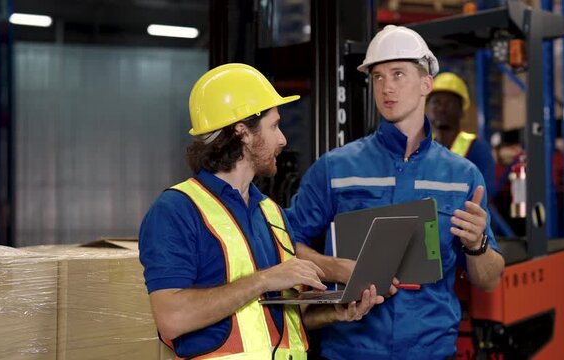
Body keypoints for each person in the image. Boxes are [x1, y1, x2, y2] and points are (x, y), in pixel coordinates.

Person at [285, 25, 505, 359]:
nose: (387, 87)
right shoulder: (335, 169)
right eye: (378, 76)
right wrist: (335, 268)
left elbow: (489, 280)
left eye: (399, 74)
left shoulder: (462, 176)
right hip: (349, 350)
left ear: (425, 84)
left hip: (430, 351)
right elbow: (285, 243)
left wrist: (478, 245)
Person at [138, 63, 383, 360]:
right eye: (274, 126)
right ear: (242, 133)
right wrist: (264, 280)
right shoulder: (176, 210)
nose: (283, 139)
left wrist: (334, 312)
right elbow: (172, 318)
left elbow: (283, 316)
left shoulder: (272, 213)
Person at [426, 72, 497, 197]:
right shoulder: (422, 149)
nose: (442, 108)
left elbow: (487, 191)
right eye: (436, 103)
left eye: (448, 103)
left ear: (461, 111)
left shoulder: (477, 148)